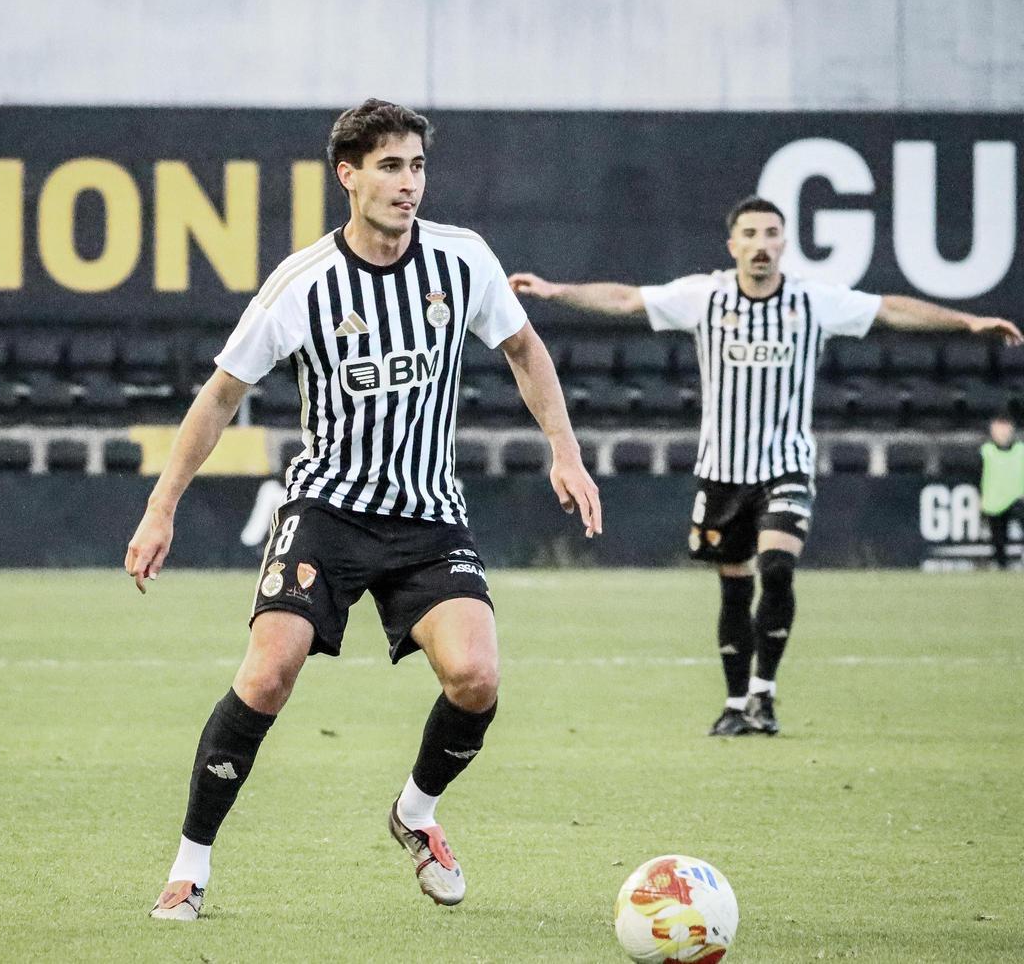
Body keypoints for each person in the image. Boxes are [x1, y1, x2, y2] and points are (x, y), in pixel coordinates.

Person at [126, 99, 601, 920]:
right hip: (328, 510)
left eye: (417, 165)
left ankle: (415, 813)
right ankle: (190, 867)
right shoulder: (303, 283)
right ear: (348, 175)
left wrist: (566, 449)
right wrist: (161, 507)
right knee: (270, 672)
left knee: (477, 676)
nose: (407, 182)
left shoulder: (463, 261)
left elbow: (525, 349)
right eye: (389, 166)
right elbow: (219, 397)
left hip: (427, 516)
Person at [509, 195, 1022, 737]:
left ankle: (764, 696)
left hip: (786, 465)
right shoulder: (704, 296)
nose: (760, 244)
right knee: (733, 587)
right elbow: (626, 299)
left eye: (771, 233)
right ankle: (735, 704)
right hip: (722, 471)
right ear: (733, 245)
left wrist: (967, 322)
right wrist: (556, 290)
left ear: (784, 242)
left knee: (775, 569)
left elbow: (889, 308)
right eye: (749, 234)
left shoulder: (811, 301)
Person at [980, 415, 1024, 569]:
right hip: (994, 500)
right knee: (999, 537)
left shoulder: (1020, 449)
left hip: (1018, 498)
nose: (1002, 433)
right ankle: (1002, 566)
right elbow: (979, 474)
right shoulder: (987, 450)